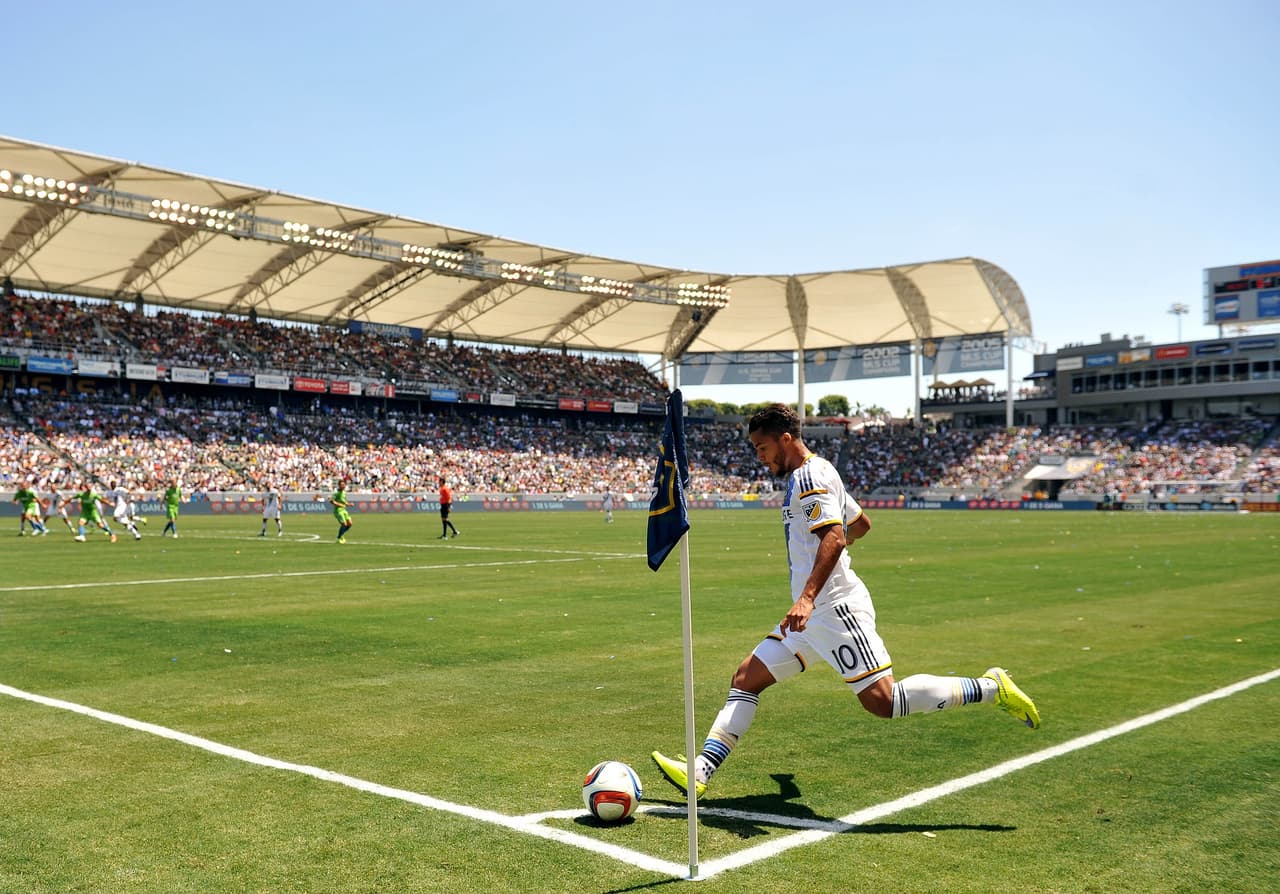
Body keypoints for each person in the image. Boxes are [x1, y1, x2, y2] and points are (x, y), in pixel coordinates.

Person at [652, 403, 1040, 798]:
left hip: (833, 609)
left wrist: (806, 596)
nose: (759, 457)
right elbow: (860, 525)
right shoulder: (818, 471)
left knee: (883, 701)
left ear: (785, 439)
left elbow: (836, 537)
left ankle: (991, 688)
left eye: (762, 447)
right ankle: (700, 772)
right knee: (746, 678)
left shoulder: (809, 477)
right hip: (812, 615)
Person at [331, 478, 353, 543]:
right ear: (339, 485)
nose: (343, 486)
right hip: (338, 511)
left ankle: (341, 535)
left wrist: (349, 504)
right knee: (344, 524)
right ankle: (339, 537)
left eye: (344, 484)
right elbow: (332, 501)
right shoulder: (336, 493)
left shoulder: (344, 492)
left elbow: (344, 501)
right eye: (342, 485)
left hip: (344, 510)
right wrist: (339, 505)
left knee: (350, 524)